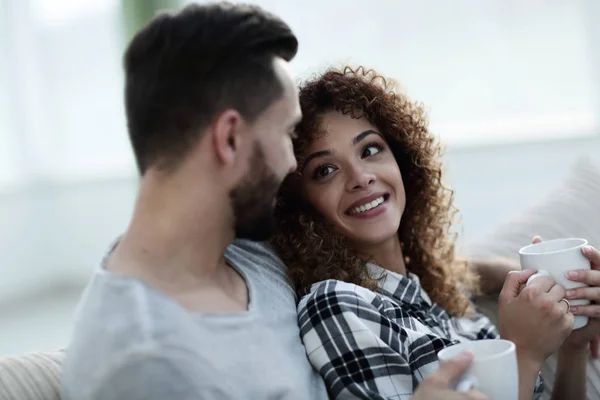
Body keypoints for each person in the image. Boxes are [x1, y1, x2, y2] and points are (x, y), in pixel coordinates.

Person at [272, 66, 600, 399]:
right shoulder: (334, 304)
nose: (361, 176)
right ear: (301, 208)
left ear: (402, 160)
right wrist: (523, 353)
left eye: (370, 150)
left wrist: (574, 346)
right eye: (325, 170)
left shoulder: (442, 294)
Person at [60, 3, 325, 399]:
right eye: (287, 133)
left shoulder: (248, 252)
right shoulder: (145, 367)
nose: (292, 163)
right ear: (230, 138)